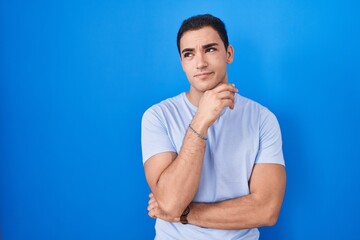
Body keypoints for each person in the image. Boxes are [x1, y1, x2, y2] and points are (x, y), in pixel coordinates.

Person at [141, 14, 286, 239]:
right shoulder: (157, 116)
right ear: (182, 62)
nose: (200, 63)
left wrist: (185, 213)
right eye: (189, 54)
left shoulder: (262, 119)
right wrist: (201, 120)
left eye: (209, 49)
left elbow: (266, 210)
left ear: (229, 54)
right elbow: (170, 201)